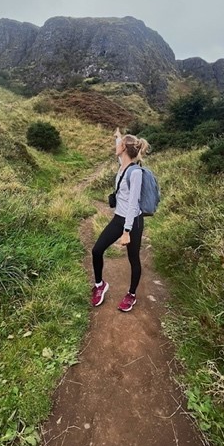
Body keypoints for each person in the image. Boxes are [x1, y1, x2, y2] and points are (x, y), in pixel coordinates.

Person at [91, 127, 150, 312]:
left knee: (133, 259)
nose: (116, 147)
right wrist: (118, 136)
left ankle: (131, 295)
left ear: (125, 147)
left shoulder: (136, 173)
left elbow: (133, 204)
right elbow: (120, 152)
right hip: (119, 218)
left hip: (133, 221)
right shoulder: (122, 165)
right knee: (97, 250)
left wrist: (126, 232)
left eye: (119, 144)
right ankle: (100, 284)